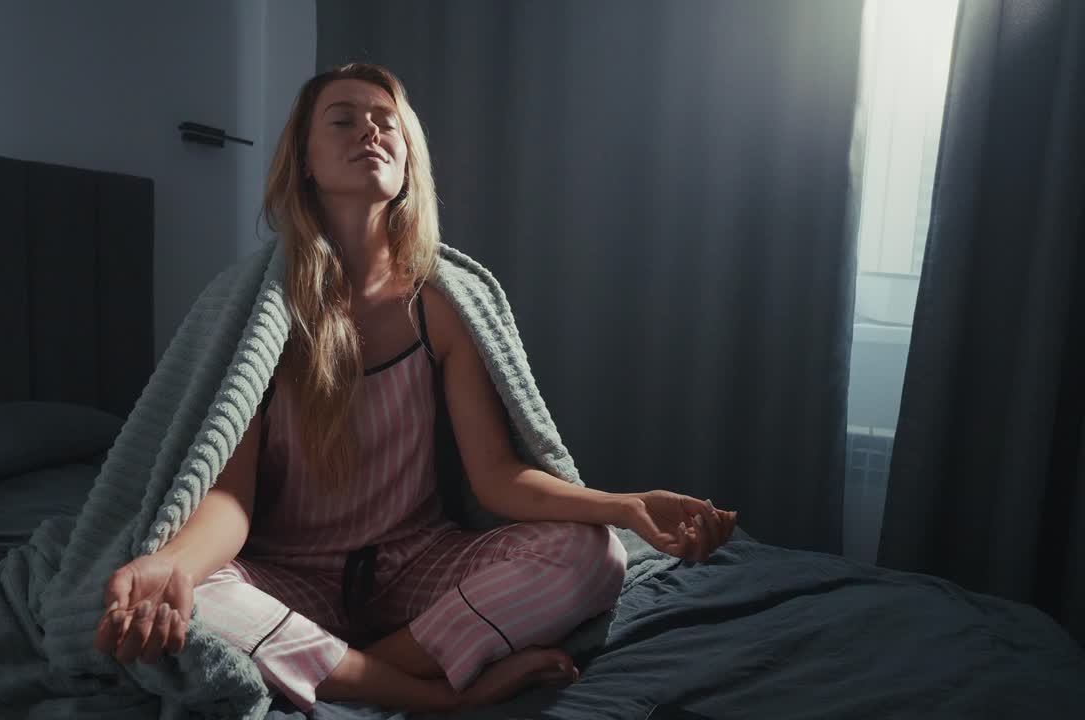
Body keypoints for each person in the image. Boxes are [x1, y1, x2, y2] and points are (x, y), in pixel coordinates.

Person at [93, 62, 738, 715]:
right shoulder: (255, 311)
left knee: (593, 555)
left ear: (407, 163)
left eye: (386, 123)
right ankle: (428, 691)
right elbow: (229, 497)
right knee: (192, 601)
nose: (369, 132)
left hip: (416, 563)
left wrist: (625, 506)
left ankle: (349, 668)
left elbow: (496, 478)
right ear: (305, 162)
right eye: (343, 120)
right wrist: (173, 564)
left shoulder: (443, 303)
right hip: (289, 575)